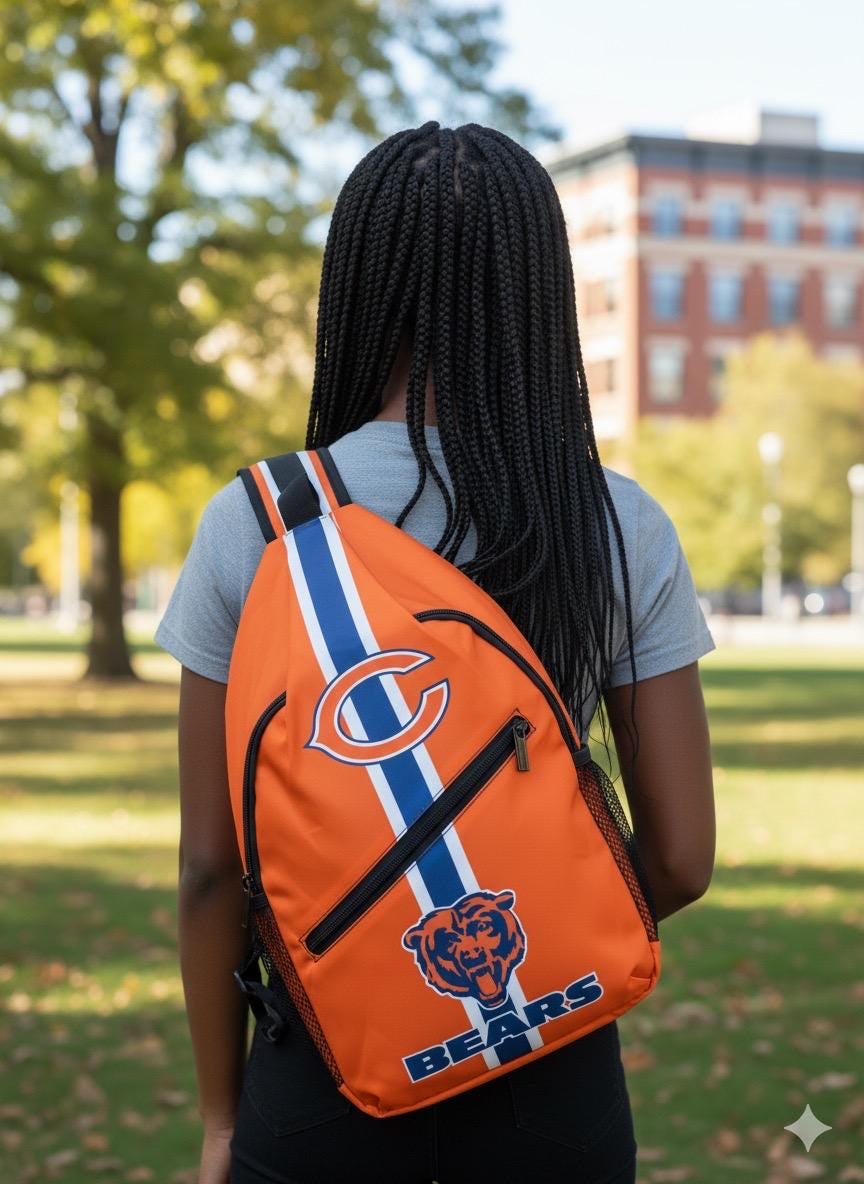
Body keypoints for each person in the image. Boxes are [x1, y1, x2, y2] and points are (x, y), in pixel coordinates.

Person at [156, 122, 716, 1184]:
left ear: (358, 283)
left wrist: (223, 1119)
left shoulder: (264, 519)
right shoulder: (614, 519)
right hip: (553, 1074)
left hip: (320, 1067)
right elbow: (681, 855)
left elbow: (212, 868)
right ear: (540, 289)